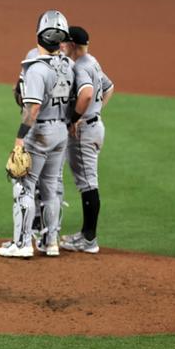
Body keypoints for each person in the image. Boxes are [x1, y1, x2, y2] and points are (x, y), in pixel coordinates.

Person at [0, 10, 73, 258]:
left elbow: (33, 108)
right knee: (51, 188)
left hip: (40, 132)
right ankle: (51, 242)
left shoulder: (37, 70)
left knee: (24, 186)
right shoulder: (68, 65)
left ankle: (21, 244)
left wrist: (20, 138)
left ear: (39, 35)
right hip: (61, 130)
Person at [59, 26, 115, 253]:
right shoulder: (93, 61)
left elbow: (88, 94)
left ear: (72, 44)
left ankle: (89, 239)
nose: (63, 46)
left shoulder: (81, 66)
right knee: (88, 182)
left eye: (65, 43)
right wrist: (95, 112)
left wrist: (75, 118)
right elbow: (109, 88)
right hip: (94, 126)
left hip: (85, 132)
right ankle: (86, 236)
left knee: (88, 184)